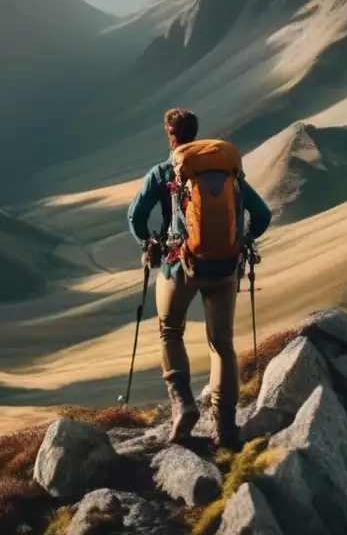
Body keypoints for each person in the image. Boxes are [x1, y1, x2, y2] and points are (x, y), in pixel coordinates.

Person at [127, 108, 271, 448]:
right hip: (224, 267)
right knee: (221, 345)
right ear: (198, 133)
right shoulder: (229, 173)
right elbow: (262, 214)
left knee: (170, 329)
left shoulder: (163, 172)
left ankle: (183, 405)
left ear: (170, 135)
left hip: (180, 265)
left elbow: (136, 217)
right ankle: (225, 425)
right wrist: (243, 241)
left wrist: (149, 243)